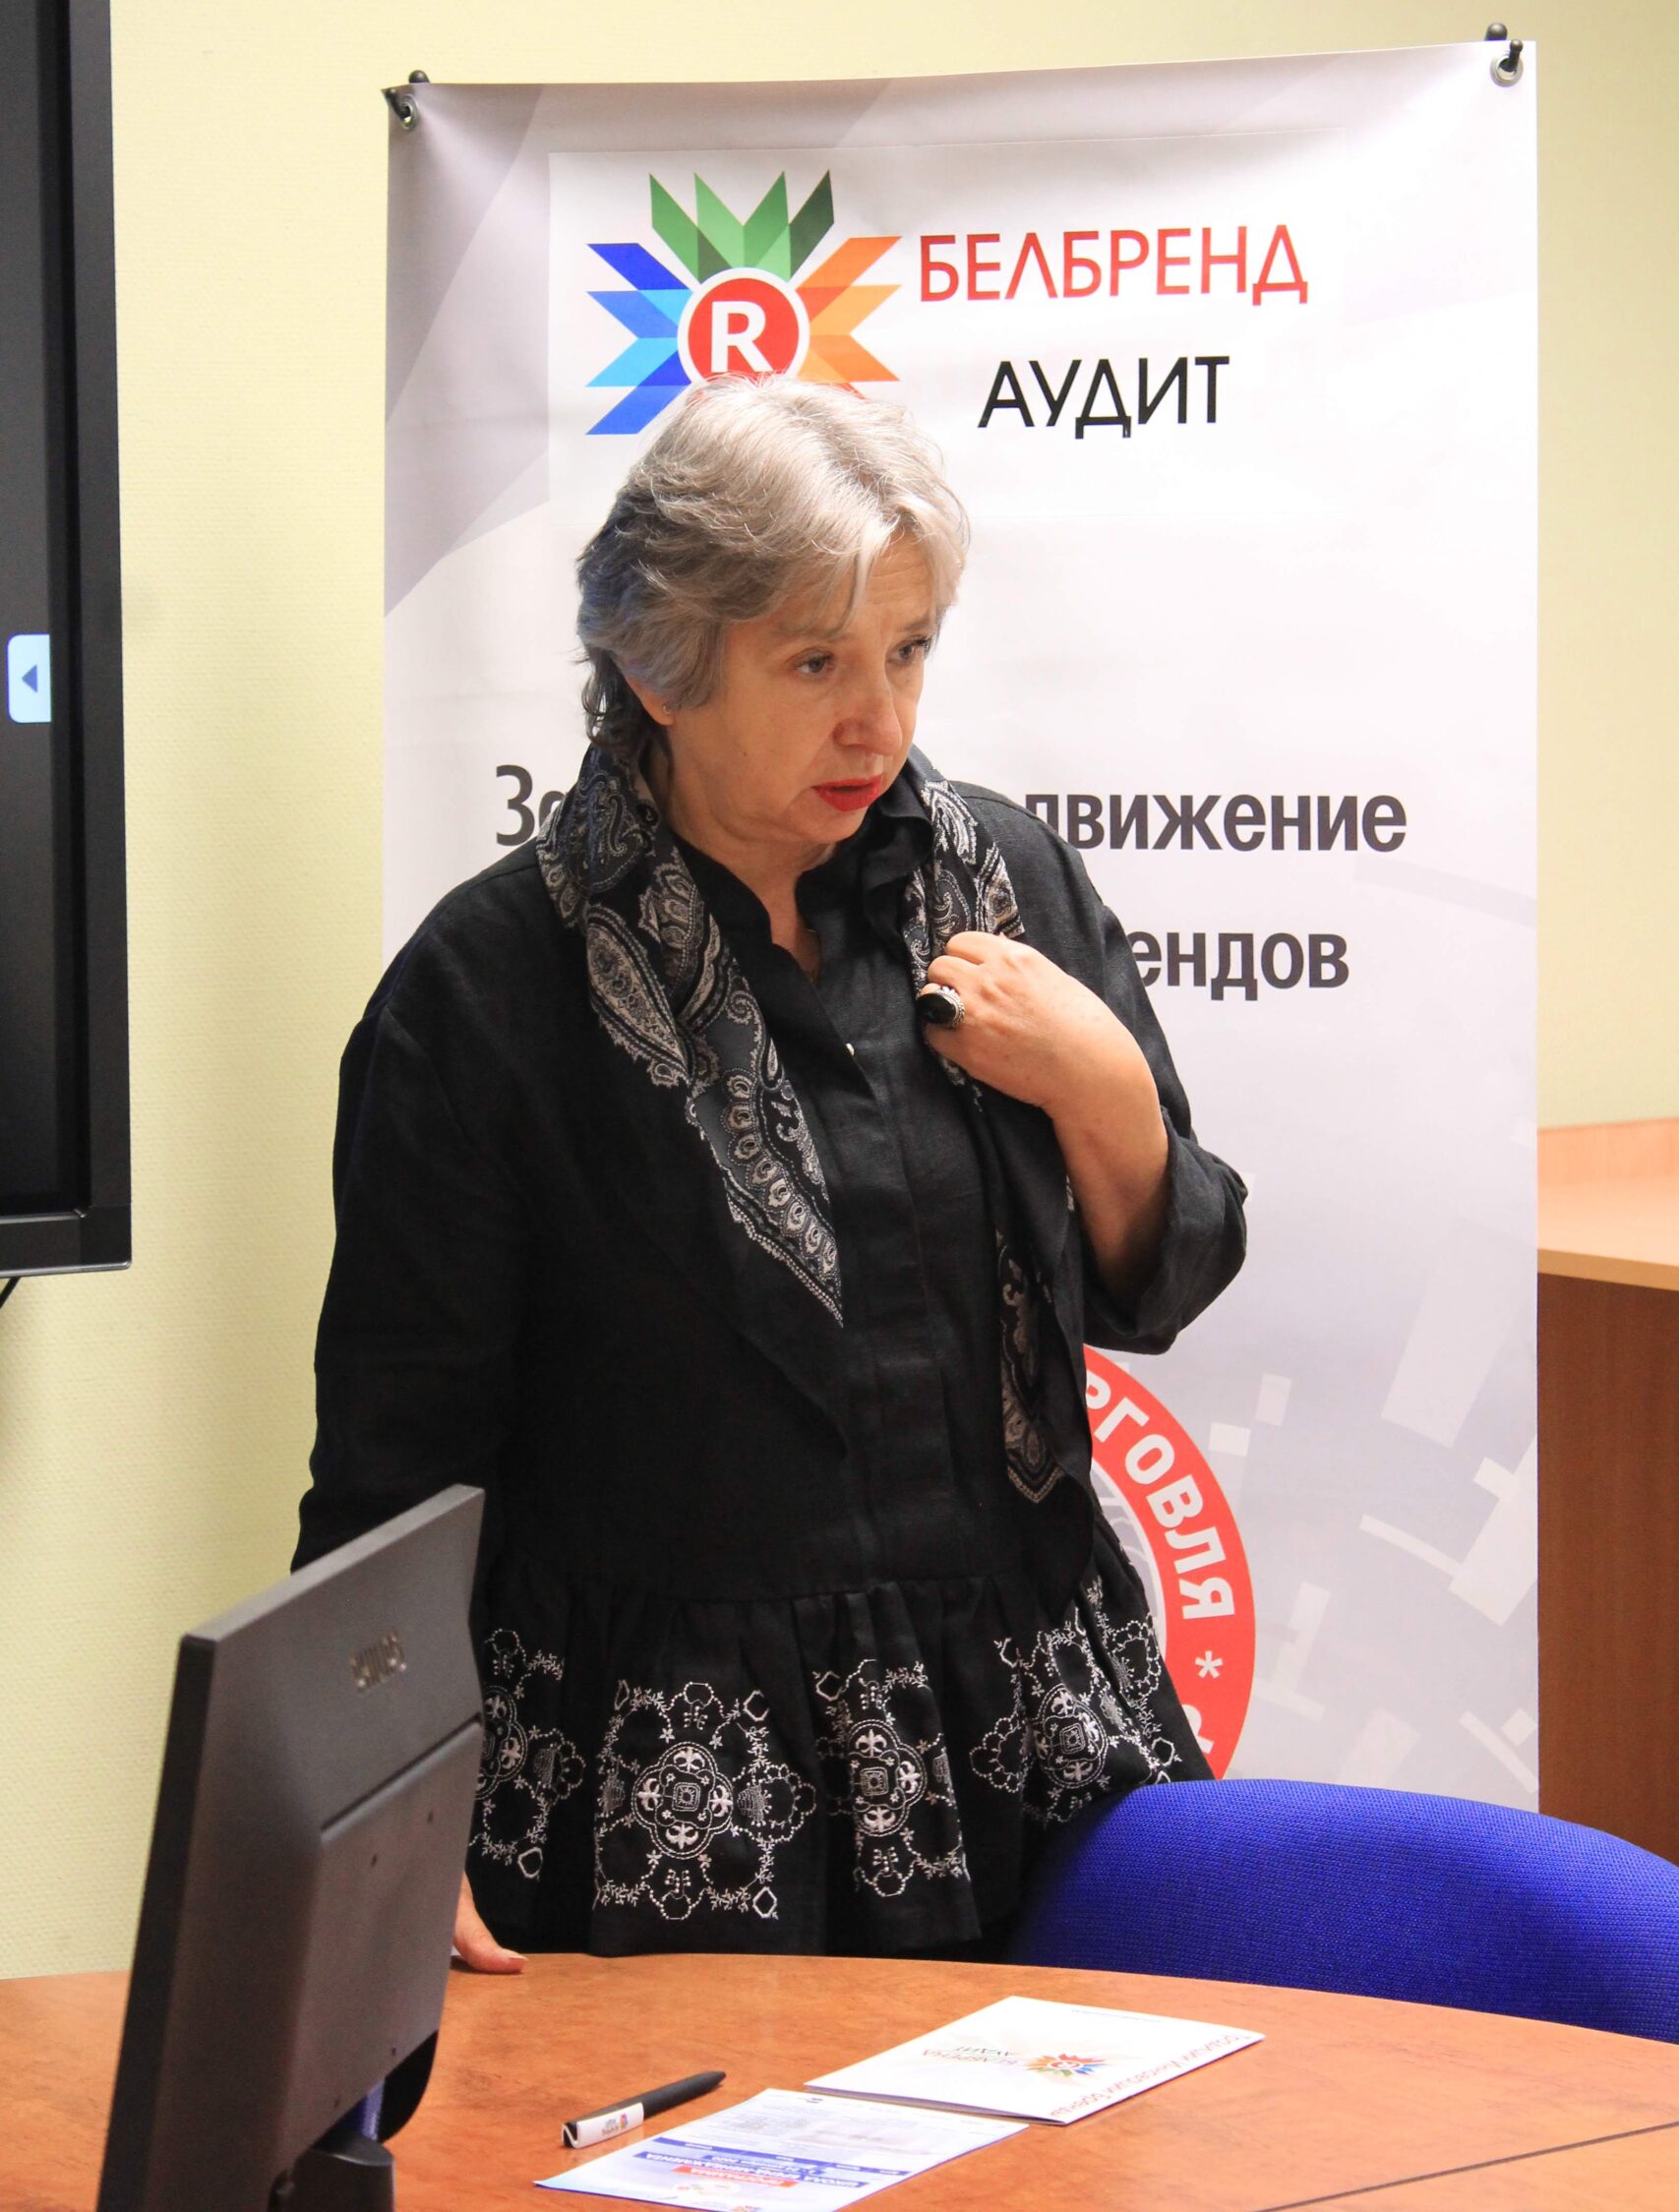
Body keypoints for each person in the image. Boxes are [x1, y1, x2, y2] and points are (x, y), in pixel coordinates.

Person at [295, 373, 1247, 1969]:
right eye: (816, 663)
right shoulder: (487, 988)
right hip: (668, 1799)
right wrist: (380, 1811)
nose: (880, 722)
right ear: (661, 668)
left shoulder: (1007, 883)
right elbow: (394, 1467)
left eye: (908, 650)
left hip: (1035, 1746)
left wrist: (1105, 1091)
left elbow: (1165, 1282)